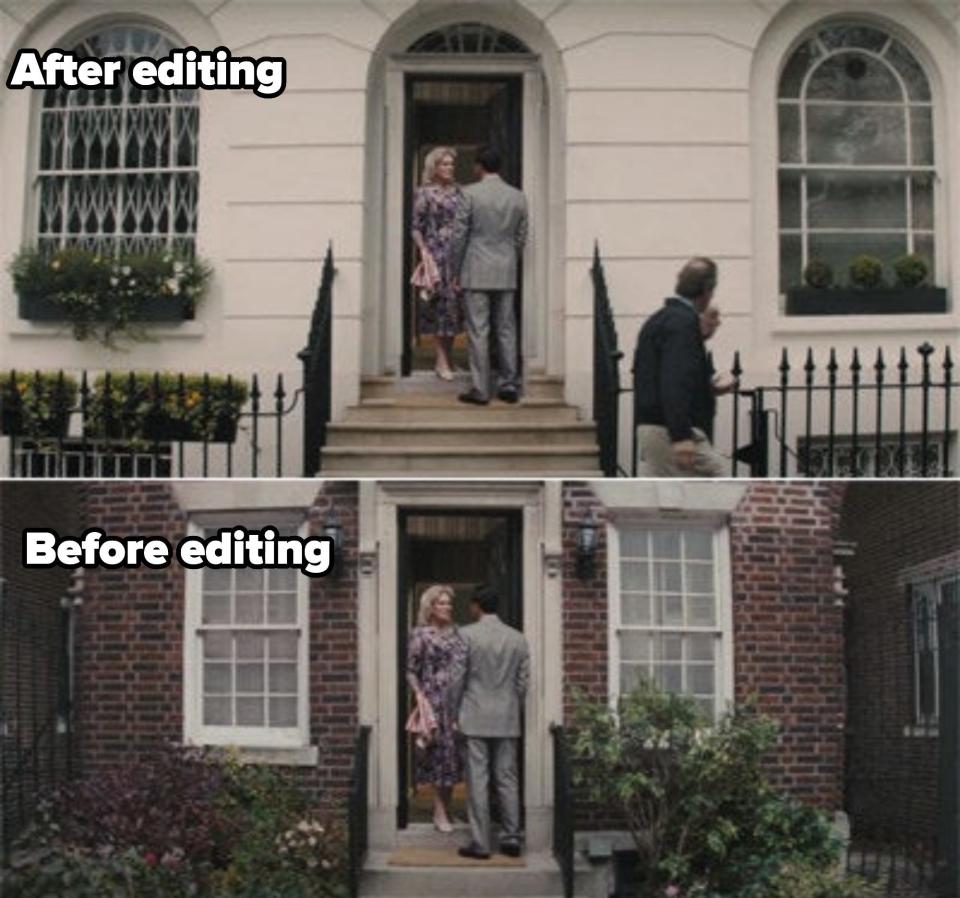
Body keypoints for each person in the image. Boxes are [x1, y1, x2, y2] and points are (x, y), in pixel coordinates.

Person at [449, 585, 530, 860]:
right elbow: (522, 683)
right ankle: (511, 839)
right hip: (507, 717)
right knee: (507, 779)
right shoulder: (518, 639)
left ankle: (481, 843)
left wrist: (451, 712)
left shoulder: (466, 634)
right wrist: (509, 705)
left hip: (474, 716)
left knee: (478, 781)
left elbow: (456, 678)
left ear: (476, 606)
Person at [632, 257, 726, 477]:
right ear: (707, 289)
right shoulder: (682, 325)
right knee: (717, 481)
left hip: (654, 426)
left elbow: (658, 373)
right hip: (669, 428)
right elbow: (674, 380)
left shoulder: (660, 319)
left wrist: (707, 388)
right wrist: (681, 436)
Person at [450, 145, 528, 406]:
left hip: (476, 267)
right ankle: (509, 385)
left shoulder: (469, 193)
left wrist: (454, 268)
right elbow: (521, 237)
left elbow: (459, 235)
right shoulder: (517, 196)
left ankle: (481, 389)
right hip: (505, 268)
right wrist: (509, 258)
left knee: (478, 330)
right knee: (506, 329)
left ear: (478, 167)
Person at [406, 584, 467, 833]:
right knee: (436, 757)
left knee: (452, 759)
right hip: (432, 701)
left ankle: (446, 808)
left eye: (449, 603)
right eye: (442, 603)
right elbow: (410, 669)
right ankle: (439, 811)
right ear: (430, 607)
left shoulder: (458, 633)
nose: (447, 607)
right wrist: (419, 695)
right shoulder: (420, 635)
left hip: (456, 702)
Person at [411, 147, 466, 380]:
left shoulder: (460, 192)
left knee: (453, 309)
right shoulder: (424, 193)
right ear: (434, 167)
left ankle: (448, 356)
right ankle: (440, 359)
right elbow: (415, 226)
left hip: (456, 255)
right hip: (435, 255)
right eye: (444, 164)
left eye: (451, 164)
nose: (449, 167)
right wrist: (424, 251)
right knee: (437, 307)